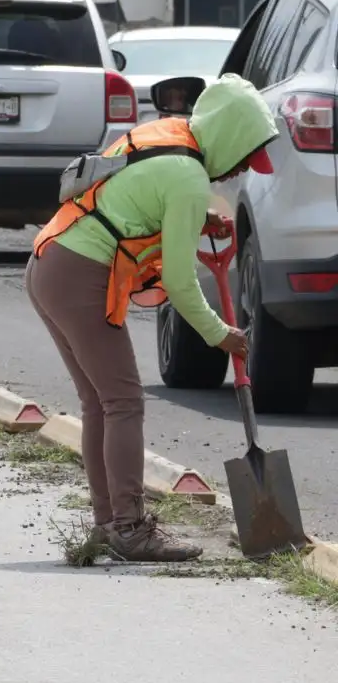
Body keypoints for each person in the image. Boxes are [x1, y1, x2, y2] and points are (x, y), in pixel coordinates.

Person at [26, 73, 277, 563]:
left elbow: (134, 196)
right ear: (228, 138)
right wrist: (221, 334)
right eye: (244, 156)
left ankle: (108, 525)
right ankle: (130, 529)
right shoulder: (189, 178)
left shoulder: (169, 138)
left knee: (101, 403)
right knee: (122, 402)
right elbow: (182, 286)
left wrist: (196, 219)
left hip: (48, 263)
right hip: (80, 277)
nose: (240, 170)